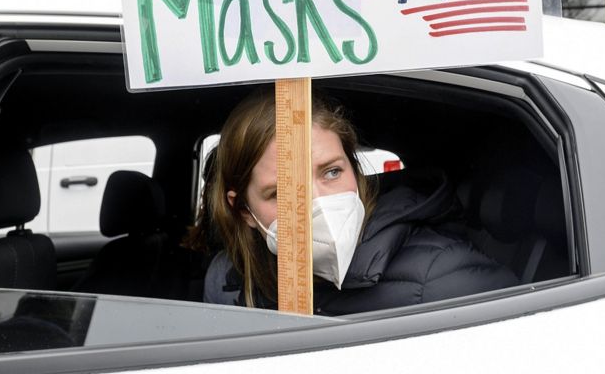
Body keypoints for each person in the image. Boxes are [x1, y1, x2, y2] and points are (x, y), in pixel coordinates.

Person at [199, 88, 517, 315]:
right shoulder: (229, 278)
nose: (319, 203)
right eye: (281, 192)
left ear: (355, 170)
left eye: (332, 172)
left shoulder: (444, 276)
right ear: (245, 211)